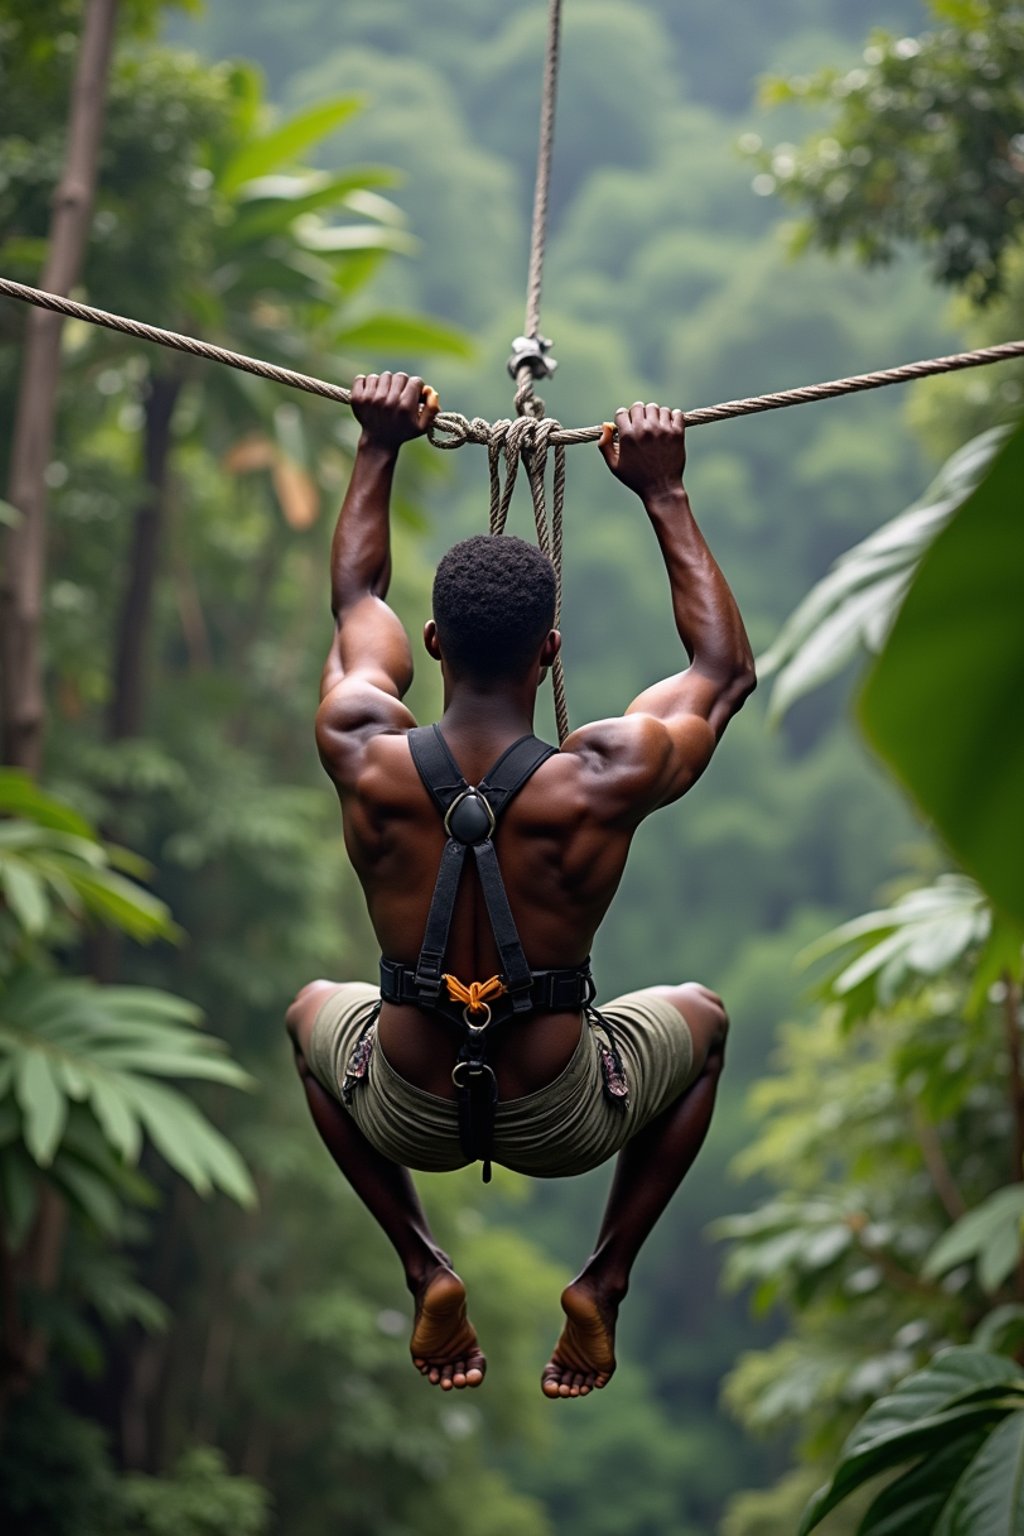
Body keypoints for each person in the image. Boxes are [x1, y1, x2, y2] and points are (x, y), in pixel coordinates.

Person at [286, 370, 756, 1398]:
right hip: (564, 1111)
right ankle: (604, 1277)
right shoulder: (601, 779)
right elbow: (720, 674)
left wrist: (377, 446)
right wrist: (663, 492)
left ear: (435, 643)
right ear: (550, 653)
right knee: (706, 1020)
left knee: (309, 1017)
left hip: (403, 1102)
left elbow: (356, 600)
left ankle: (421, 1262)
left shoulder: (361, 749)